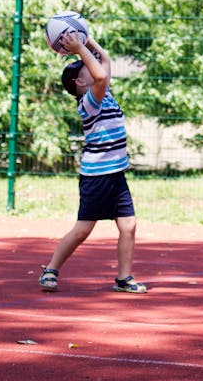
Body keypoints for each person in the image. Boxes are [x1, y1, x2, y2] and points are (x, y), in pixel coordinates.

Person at [39, 28, 147, 294]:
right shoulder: (89, 102)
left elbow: (105, 63)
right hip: (96, 177)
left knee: (129, 225)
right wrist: (78, 49)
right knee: (82, 230)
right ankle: (51, 269)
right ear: (79, 82)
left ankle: (124, 278)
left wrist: (87, 40)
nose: (94, 66)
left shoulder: (104, 93)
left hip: (116, 175)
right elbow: (100, 73)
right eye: (86, 67)